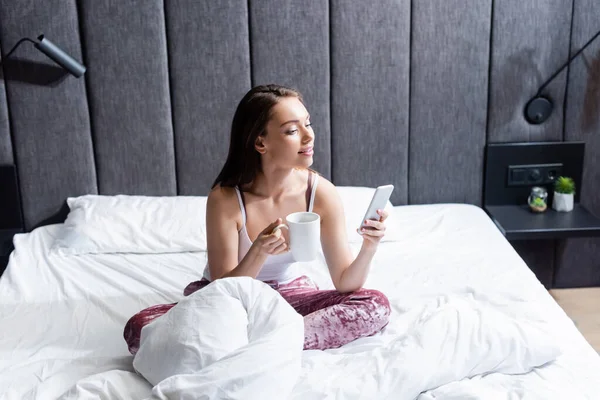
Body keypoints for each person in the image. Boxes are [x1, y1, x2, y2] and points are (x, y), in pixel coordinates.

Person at [124, 84, 391, 354]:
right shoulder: (225, 198)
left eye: (308, 124)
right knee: (140, 327)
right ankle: (269, 340)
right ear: (260, 142)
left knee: (374, 304)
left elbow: (346, 282)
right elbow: (222, 289)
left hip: (291, 297)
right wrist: (258, 251)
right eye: (292, 130)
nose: (309, 137)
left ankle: (258, 345)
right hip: (231, 302)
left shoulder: (321, 192)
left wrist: (370, 245)